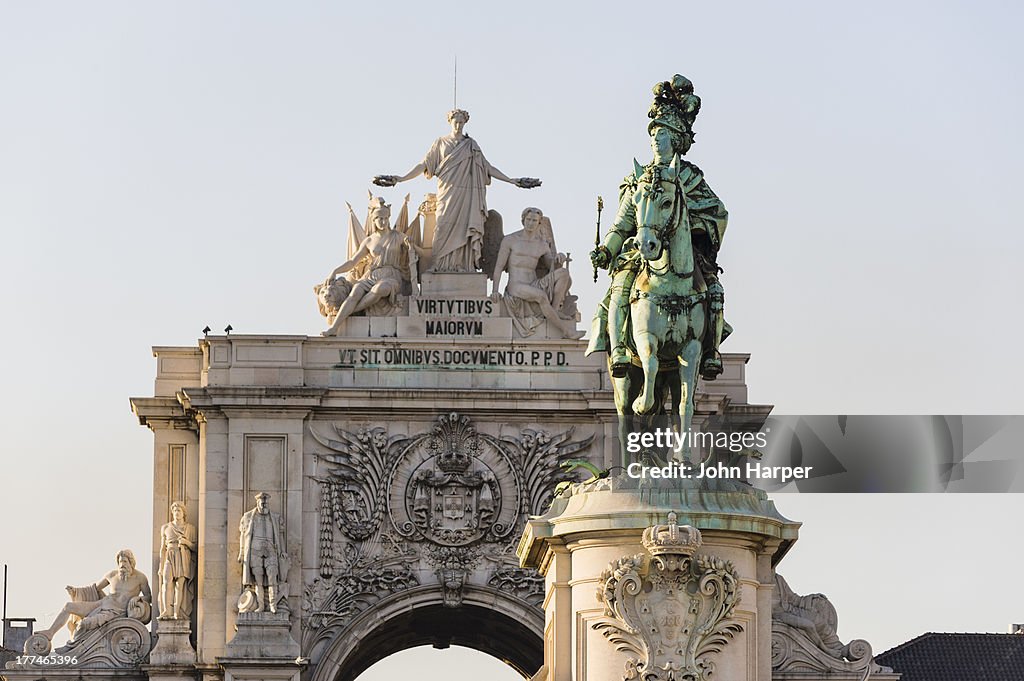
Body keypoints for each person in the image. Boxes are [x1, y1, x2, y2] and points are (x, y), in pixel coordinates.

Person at [587, 75, 730, 379]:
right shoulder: (638, 179)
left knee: (714, 290)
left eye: (662, 133)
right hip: (641, 251)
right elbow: (623, 222)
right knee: (620, 288)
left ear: (676, 138)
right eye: (653, 133)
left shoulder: (691, 179)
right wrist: (606, 250)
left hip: (684, 256)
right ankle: (620, 349)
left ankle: (711, 352)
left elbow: (718, 212)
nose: (655, 138)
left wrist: (688, 227)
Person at [373, 109, 540, 272]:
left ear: (465, 123)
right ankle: (439, 265)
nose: (458, 125)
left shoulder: (471, 145)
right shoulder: (440, 143)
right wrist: (401, 178)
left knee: (465, 227)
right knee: (442, 226)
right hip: (447, 192)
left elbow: (487, 167)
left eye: (461, 122)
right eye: (456, 122)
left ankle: (464, 266)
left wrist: (512, 180)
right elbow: (423, 165)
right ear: (450, 122)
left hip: (467, 194)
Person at [321, 198, 419, 335]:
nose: (383, 222)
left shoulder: (398, 236)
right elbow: (352, 262)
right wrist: (335, 271)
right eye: (380, 218)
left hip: (391, 276)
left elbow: (415, 250)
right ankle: (334, 328)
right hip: (371, 276)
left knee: (379, 289)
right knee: (354, 293)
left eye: (386, 218)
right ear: (373, 220)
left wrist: (411, 244)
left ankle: (354, 311)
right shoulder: (369, 241)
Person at [491, 207, 583, 339]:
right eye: (528, 219)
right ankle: (566, 331)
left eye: (534, 220)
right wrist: (495, 290)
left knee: (563, 273)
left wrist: (559, 258)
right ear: (523, 220)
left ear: (539, 223)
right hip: (516, 286)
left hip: (534, 284)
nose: (530, 223)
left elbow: (551, 266)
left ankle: (555, 309)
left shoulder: (542, 244)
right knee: (541, 296)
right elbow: (499, 267)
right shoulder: (511, 240)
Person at [39, 549, 151, 641]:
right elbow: (94, 589)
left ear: (131, 562)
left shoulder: (140, 578)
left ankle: (76, 645)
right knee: (68, 606)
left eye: (125, 562)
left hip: (115, 613)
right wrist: (75, 591)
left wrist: (137, 598)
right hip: (102, 604)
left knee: (83, 624)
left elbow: (149, 597)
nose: (122, 565)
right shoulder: (112, 575)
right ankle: (50, 633)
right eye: (120, 562)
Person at [238, 492, 285, 613]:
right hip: (255, 550)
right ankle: (261, 606)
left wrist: (282, 551)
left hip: (270, 550)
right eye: (262, 503)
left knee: (272, 578)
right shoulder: (248, 516)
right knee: (258, 580)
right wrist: (242, 552)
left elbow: (280, 536)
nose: (264, 505)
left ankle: (273, 604)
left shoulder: (274, 518)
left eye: (265, 503)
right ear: (258, 503)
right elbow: (244, 536)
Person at [158, 501, 197, 620]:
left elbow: (195, 547)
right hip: (169, 555)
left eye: (179, 510)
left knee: (180, 585)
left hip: (183, 556)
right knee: (166, 583)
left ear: (183, 513)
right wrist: (161, 564)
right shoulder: (165, 527)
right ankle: (166, 610)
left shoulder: (190, 528)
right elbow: (162, 548)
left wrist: (186, 542)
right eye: (174, 511)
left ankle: (177, 612)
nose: (176, 513)